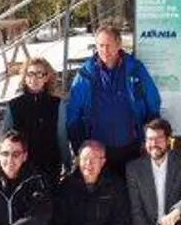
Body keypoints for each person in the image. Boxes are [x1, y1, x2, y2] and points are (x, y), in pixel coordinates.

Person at [66, 24, 161, 177]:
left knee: (132, 188)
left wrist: (148, 140)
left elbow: (153, 103)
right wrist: (79, 146)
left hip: (132, 147)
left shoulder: (135, 69)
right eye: (101, 45)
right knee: (104, 190)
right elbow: (73, 113)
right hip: (98, 151)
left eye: (109, 45)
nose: (105, 50)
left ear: (119, 44)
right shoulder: (86, 74)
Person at [52, 140, 149, 225]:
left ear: (103, 162)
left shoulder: (116, 185)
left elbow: (121, 223)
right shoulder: (66, 186)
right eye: (85, 158)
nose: (88, 164)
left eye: (94, 159)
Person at [3, 57, 69, 186]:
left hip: (50, 165)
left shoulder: (56, 104)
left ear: (46, 77)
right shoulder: (14, 105)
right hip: (22, 166)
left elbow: (62, 135)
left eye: (39, 74)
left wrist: (67, 162)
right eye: (30, 74)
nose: (34, 79)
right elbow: (6, 138)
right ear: (24, 77)